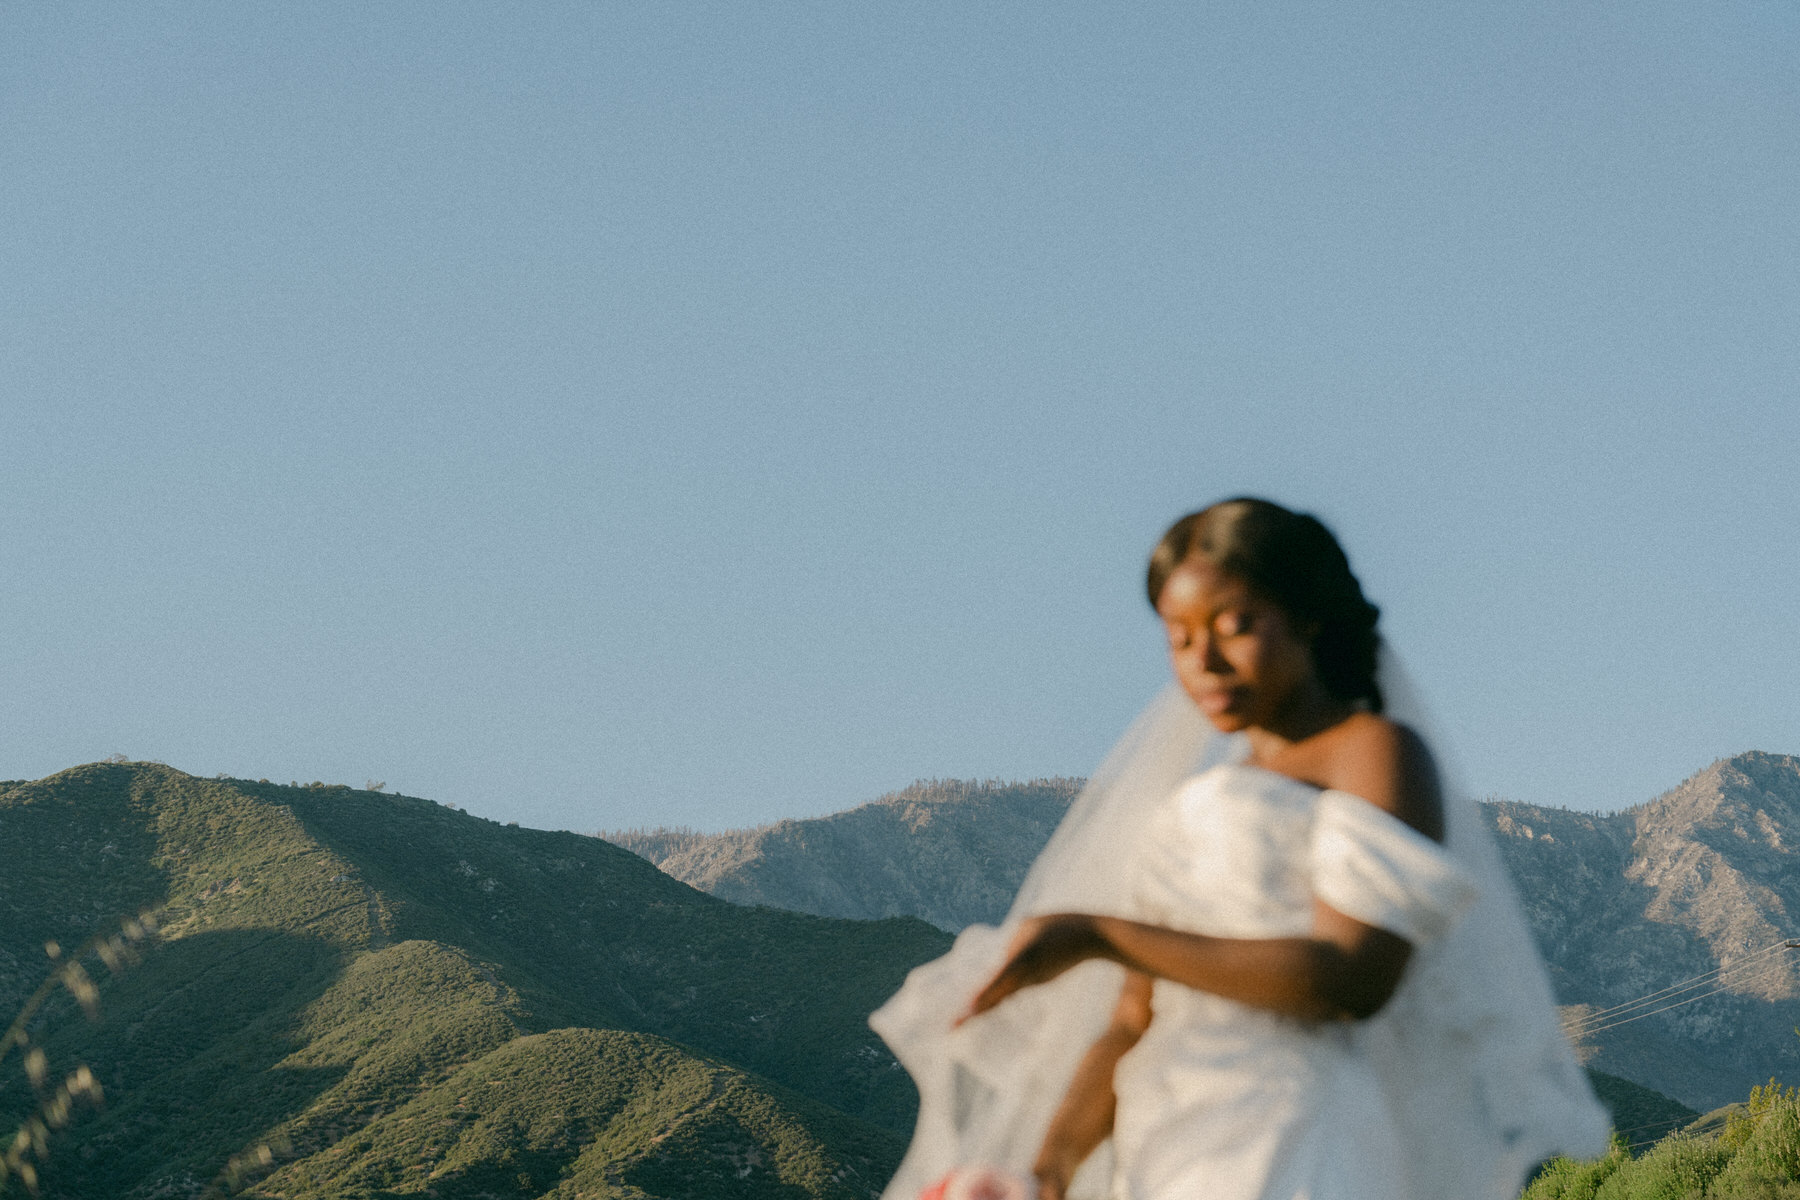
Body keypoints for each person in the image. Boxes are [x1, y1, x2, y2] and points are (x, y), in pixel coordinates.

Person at [871, 498, 1608, 1200]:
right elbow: (1133, 1021)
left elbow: (1353, 978)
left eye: (1236, 623)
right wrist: (1047, 1172)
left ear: (1309, 618)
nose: (1206, 660)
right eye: (1180, 637)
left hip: (1294, 1133)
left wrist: (1097, 934)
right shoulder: (1192, 800)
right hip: (1164, 1146)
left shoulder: (1370, 751)